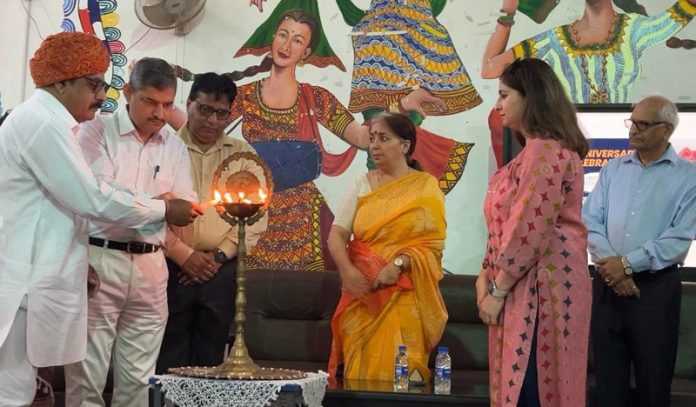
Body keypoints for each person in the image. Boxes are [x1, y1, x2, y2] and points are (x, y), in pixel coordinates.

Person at [0, 32, 197, 407]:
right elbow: (91, 197)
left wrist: (77, 264)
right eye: (93, 84)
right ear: (61, 82)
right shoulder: (45, 124)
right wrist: (162, 209)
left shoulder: (51, 122)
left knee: (22, 390)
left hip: (115, 269)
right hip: (28, 278)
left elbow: (71, 204)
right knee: (14, 393)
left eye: (104, 83)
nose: (101, 94)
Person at [64, 58, 198, 407]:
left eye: (168, 105)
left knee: (140, 381)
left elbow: (188, 203)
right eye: (151, 102)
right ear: (128, 92)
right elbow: (99, 195)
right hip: (99, 260)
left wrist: (153, 205)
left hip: (152, 268)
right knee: (87, 378)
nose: (160, 113)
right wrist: (160, 205)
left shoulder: (175, 145)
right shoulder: (95, 131)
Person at [476, 58, 591, 406]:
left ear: (532, 98)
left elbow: (529, 226)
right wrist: (485, 279)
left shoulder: (546, 151)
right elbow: (500, 228)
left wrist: (497, 289)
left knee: (534, 392)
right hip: (515, 286)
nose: (497, 105)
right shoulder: (524, 158)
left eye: (504, 94)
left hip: (543, 290)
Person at [227, 9, 371, 272]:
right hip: (253, 210)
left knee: (317, 289)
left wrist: (400, 104)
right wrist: (167, 113)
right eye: (283, 35)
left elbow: (362, 137)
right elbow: (202, 131)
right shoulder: (244, 95)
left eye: (297, 40)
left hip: (303, 213)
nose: (286, 45)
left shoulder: (316, 98)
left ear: (305, 52)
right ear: (273, 38)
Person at [583, 95, 696, 407]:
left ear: (666, 130)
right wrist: (613, 269)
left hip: (655, 290)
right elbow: (590, 221)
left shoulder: (688, 177)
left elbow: (678, 239)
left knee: (653, 384)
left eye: (643, 124)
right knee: (607, 384)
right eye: (632, 121)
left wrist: (627, 265)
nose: (633, 130)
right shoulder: (613, 169)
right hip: (607, 285)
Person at [156, 72, 268, 374]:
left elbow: (257, 216)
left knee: (211, 352)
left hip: (221, 270)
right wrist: (184, 255)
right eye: (204, 109)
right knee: (169, 350)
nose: (212, 121)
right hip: (169, 265)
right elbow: (150, 208)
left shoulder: (243, 155)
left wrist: (217, 257)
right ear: (189, 103)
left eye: (221, 114)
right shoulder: (163, 148)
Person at [327, 112, 447, 383]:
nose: (375, 146)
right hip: (364, 293)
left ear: (404, 145)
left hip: (407, 295)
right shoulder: (362, 183)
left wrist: (397, 265)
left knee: (405, 379)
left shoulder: (426, 188)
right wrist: (347, 272)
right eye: (371, 139)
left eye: (383, 138)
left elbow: (432, 246)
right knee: (360, 377)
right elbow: (336, 235)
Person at [482, 0, 696, 103]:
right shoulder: (554, 40)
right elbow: (490, 69)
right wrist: (508, 12)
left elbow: (680, 12)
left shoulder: (635, 29)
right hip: (568, 144)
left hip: (618, 142)